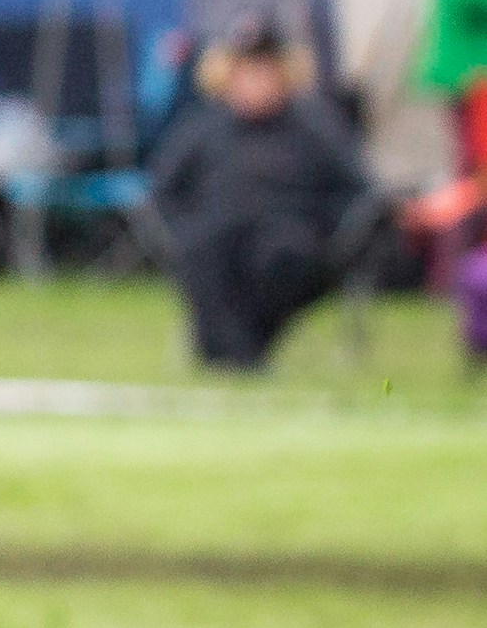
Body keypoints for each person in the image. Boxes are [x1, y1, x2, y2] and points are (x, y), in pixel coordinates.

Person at [147, 19, 375, 371]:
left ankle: (241, 351)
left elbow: (357, 189)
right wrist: (179, 228)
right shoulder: (203, 126)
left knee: (278, 257)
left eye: (264, 71)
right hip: (218, 230)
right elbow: (163, 188)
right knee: (202, 250)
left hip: (290, 233)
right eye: (246, 71)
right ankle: (228, 354)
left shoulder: (315, 124)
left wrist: (334, 233)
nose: (255, 81)